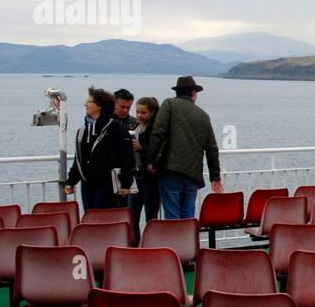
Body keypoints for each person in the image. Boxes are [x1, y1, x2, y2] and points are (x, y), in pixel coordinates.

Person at [146, 76, 224, 220]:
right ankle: (188, 241)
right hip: (193, 174)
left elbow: (158, 133)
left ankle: (175, 242)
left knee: (172, 214)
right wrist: (215, 177)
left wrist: (150, 160)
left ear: (177, 91)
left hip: (170, 169)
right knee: (188, 215)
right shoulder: (203, 116)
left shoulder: (169, 104)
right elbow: (212, 149)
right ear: (193, 93)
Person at [64, 87, 134, 211]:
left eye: (90, 101)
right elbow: (79, 158)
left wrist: (126, 183)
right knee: (90, 215)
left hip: (108, 183)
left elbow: (127, 157)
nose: (85, 104)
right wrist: (71, 181)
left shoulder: (116, 128)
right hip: (88, 182)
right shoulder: (84, 131)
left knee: (103, 216)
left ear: (99, 106)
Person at [128, 96, 161, 241]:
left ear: (152, 112)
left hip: (150, 178)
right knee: (132, 216)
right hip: (136, 177)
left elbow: (158, 152)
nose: (139, 116)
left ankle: (151, 245)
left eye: (143, 113)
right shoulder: (135, 127)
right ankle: (135, 245)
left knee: (151, 216)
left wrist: (142, 149)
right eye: (138, 112)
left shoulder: (155, 130)